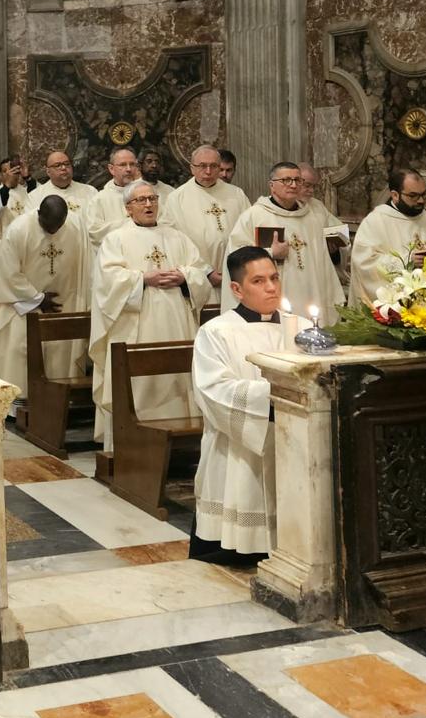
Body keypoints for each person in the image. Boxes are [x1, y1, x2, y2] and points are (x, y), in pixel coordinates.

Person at [89, 181, 213, 446]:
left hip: (177, 323)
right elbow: (107, 282)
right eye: (141, 200)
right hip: (137, 326)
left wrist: (184, 276)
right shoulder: (116, 240)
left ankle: (182, 444)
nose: (148, 205)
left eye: (152, 199)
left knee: (178, 381)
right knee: (141, 385)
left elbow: (199, 271)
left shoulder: (177, 237)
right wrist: (143, 278)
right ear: (127, 208)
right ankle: (134, 445)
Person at [192, 246, 285, 560]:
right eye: (259, 281)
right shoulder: (216, 332)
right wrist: (274, 398)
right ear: (236, 289)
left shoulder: (299, 327)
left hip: (290, 447)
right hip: (237, 450)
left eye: (274, 277)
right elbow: (214, 390)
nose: (271, 287)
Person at [0, 196, 90, 394]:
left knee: (60, 355)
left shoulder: (76, 226)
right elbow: (9, 274)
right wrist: (38, 298)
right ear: (39, 214)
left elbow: (84, 268)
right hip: (21, 306)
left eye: (58, 226)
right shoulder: (18, 230)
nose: (53, 231)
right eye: (49, 226)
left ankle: (59, 404)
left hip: (62, 305)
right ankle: (16, 405)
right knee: (18, 353)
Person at [222, 162, 345, 325]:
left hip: (313, 292)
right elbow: (236, 254)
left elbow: (332, 250)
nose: (293, 185)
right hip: (276, 293)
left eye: (297, 180)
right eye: (286, 180)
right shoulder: (255, 216)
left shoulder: (313, 216)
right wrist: (270, 253)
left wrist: (335, 250)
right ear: (272, 186)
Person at [350, 169, 426, 304]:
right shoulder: (375, 222)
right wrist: (406, 261)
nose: (421, 201)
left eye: (423, 194)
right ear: (395, 195)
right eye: (413, 196)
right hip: (394, 308)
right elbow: (363, 263)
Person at [161, 144, 251, 290]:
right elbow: (173, 241)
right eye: (202, 166)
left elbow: (249, 232)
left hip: (236, 275)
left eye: (214, 166)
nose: (208, 172)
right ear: (192, 168)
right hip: (198, 279)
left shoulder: (236, 194)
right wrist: (206, 271)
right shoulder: (176, 199)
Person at [27, 149, 106, 247]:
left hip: (84, 248)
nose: (64, 168)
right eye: (57, 165)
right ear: (48, 171)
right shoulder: (35, 196)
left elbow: (97, 225)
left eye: (67, 164)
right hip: (52, 249)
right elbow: (31, 228)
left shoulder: (90, 192)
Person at [93, 147, 143, 237]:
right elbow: (94, 232)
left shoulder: (147, 194)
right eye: (123, 165)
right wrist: (131, 224)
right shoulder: (99, 199)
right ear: (111, 169)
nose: (129, 169)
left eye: (132, 164)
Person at [0, 155, 30, 236]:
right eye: (5, 171)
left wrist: (27, 177)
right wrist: (7, 184)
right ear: (0, 175)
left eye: (12, 170)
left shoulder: (27, 192)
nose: (9, 174)